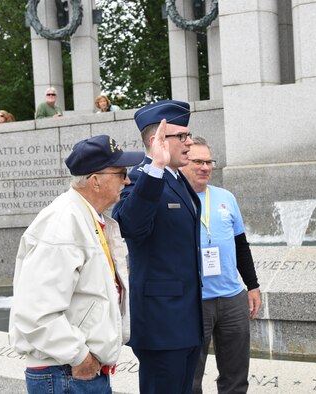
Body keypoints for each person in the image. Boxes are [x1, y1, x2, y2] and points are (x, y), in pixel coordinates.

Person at [9, 134, 144, 393]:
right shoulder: (62, 223)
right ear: (95, 181)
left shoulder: (85, 218)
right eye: (121, 172)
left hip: (72, 370)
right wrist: (80, 357)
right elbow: (35, 312)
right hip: (65, 372)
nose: (127, 180)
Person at [111, 100, 203, 394]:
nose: (189, 143)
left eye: (188, 135)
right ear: (157, 141)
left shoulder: (178, 180)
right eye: (182, 136)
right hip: (162, 326)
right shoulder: (141, 178)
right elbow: (131, 226)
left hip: (185, 321)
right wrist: (156, 166)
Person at [179, 137, 261, 394]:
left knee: (236, 376)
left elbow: (241, 244)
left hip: (231, 299)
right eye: (198, 162)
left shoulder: (226, 197)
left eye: (209, 162)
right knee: (190, 377)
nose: (205, 167)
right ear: (183, 163)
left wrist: (253, 285)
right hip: (194, 301)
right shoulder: (175, 199)